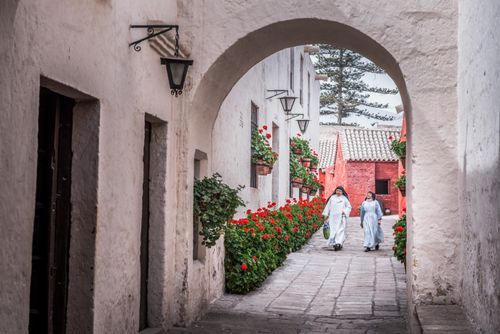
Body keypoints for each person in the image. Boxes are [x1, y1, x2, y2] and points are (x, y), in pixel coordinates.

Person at [322, 186, 352, 251]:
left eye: (340, 191)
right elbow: (328, 206)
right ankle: (333, 243)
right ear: (335, 191)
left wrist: (344, 212)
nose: (338, 192)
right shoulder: (332, 198)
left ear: (342, 192)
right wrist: (326, 214)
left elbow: (349, 207)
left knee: (340, 231)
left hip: (341, 218)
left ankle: (338, 243)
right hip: (332, 218)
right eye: (337, 191)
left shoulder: (344, 199)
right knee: (333, 231)